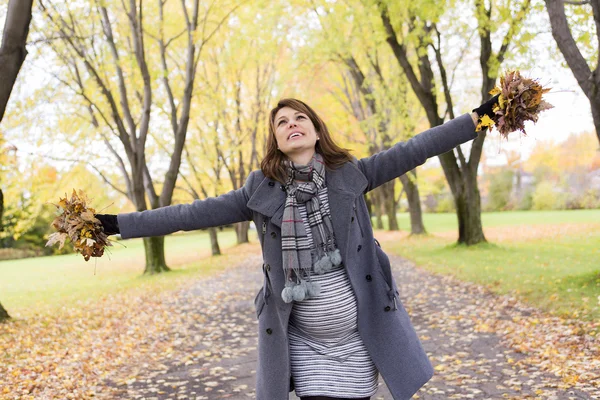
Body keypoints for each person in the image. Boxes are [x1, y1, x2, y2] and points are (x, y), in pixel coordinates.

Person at [96, 97, 498, 400]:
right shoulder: (258, 190)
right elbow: (188, 213)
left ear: (317, 130)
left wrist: (485, 116)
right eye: (282, 122)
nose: (292, 125)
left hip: (360, 338)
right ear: (276, 139)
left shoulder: (352, 174)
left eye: (299, 118)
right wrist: (116, 224)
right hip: (303, 343)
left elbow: (418, 147)